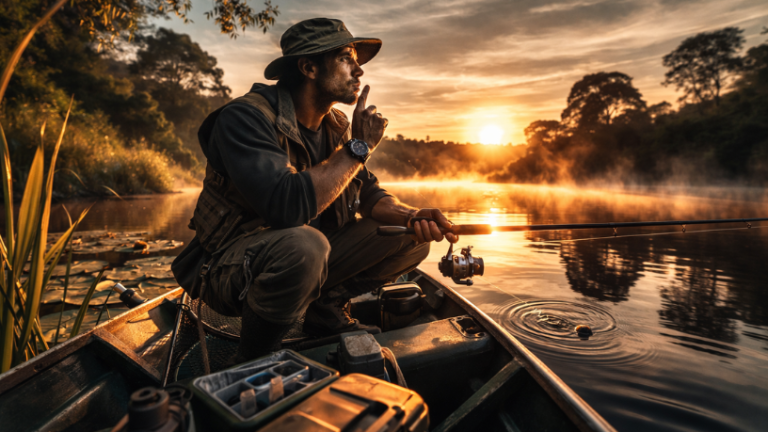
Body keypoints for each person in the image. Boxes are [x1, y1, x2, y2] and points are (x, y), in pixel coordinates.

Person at [172, 18, 458, 363]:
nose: (359, 72)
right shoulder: (244, 118)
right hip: (227, 270)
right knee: (305, 245)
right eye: (346, 58)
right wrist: (359, 146)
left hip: (305, 257)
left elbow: (370, 195)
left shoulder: (335, 130)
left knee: (409, 235)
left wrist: (412, 216)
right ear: (308, 67)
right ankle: (252, 359)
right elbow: (286, 206)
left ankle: (324, 310)